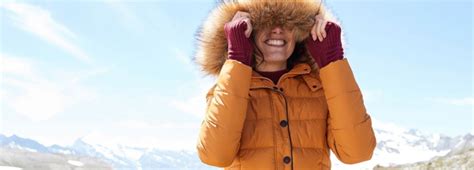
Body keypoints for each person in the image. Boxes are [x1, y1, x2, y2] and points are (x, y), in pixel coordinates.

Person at [194, 0, 376, 169]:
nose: (278, 30)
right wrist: (237, 60)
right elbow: (215, 155)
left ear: (300, 33)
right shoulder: (226, 89)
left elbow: (358, 152)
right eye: (265, 22)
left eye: (289, 23)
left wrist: (332, 61)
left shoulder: (320, 89)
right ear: (249, 31)